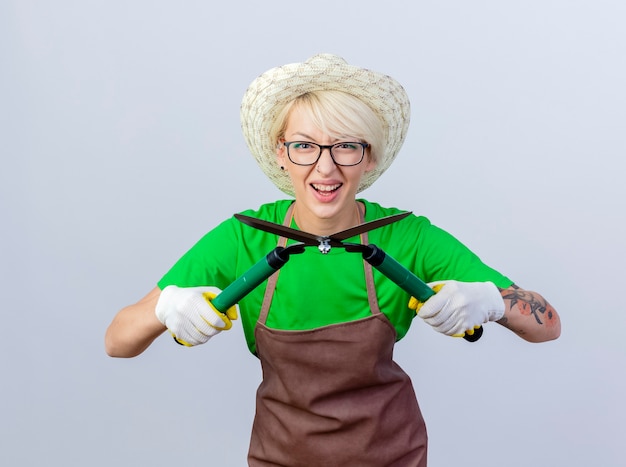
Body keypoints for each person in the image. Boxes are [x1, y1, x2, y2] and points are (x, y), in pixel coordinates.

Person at [105, 54, 561, 466]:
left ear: (369, 157)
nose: (325, 169)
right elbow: (117, 341)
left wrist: (494, 303)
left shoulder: (408, 236)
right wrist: (166, 310)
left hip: (391, 456)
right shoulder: (243, 237)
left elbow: (549, 325)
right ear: (281, 153)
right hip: (279, 455)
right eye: (305, 146)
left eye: (346, 146)